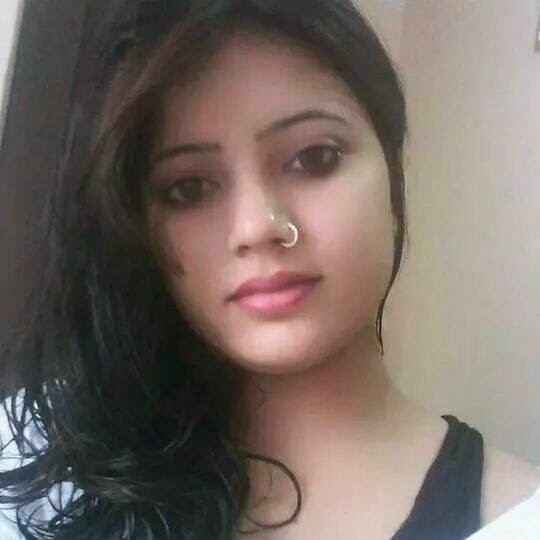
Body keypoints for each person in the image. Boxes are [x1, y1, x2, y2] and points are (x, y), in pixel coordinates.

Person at [0, 1, 538, 539]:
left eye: (315, 159)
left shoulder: (518, 521)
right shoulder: (38, 463)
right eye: (190, 188)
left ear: (391, 173)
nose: (258, 227)